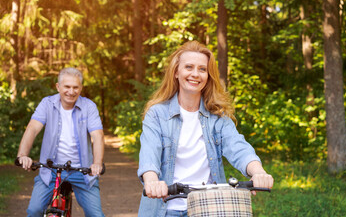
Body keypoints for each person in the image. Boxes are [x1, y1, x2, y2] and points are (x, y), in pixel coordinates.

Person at [137, 41, 274, 216]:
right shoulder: (157, 114)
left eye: (202, 69)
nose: (195, 74)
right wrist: (152, 181)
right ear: (176, 72)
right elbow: (149, 154)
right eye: (189, 67)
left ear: (208, 76)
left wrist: (258, 172)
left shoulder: (217, 116)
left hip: (207, 207)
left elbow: (238, 147)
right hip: (164, 208)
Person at [16, 67, 105, 217]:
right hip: (51, 170)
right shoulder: (47, 103)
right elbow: (32, 129)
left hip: (81, 171)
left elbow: (97, 136)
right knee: (34, 211)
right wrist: (23, 155)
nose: (71, 91)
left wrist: (97, 163)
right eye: (67, 87)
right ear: (58, 87)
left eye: (75, 87)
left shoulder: (89, 107)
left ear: (81, 88)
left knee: (96, 215)